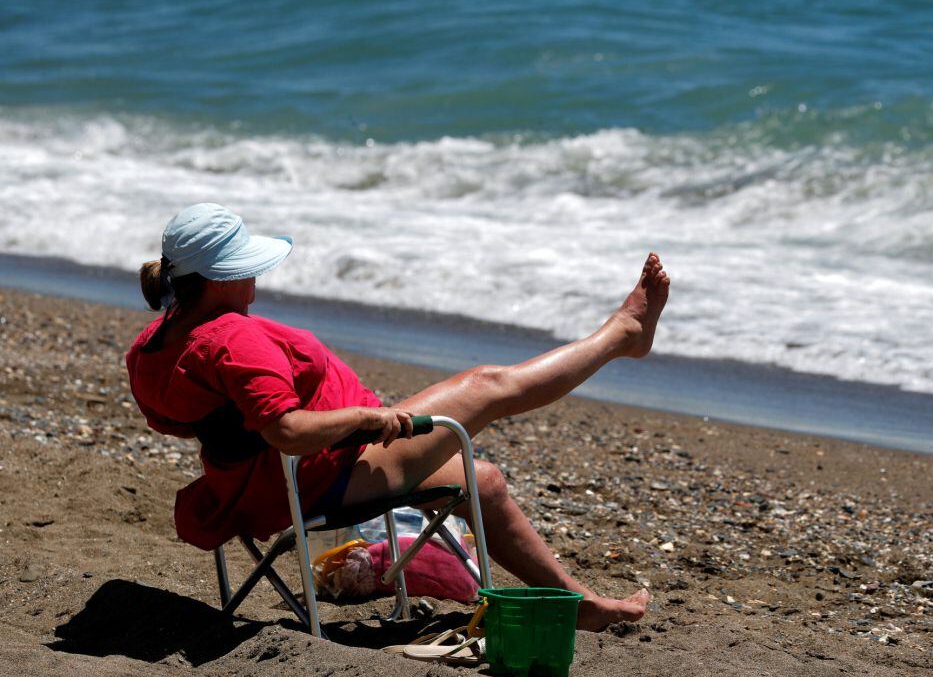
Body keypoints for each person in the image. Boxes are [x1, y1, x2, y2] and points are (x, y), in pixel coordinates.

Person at [126, 203, 669, 631]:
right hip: (322, 470)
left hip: (253, 484)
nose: (256, 279)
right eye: (247, 267)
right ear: (221, 277)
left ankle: (578, 605)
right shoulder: (233, 338)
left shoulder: (153, 345)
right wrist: (361, 417)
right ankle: (623, 334)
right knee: (489, 386)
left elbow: (185, 420)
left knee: (484, 483)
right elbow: (286, 432)